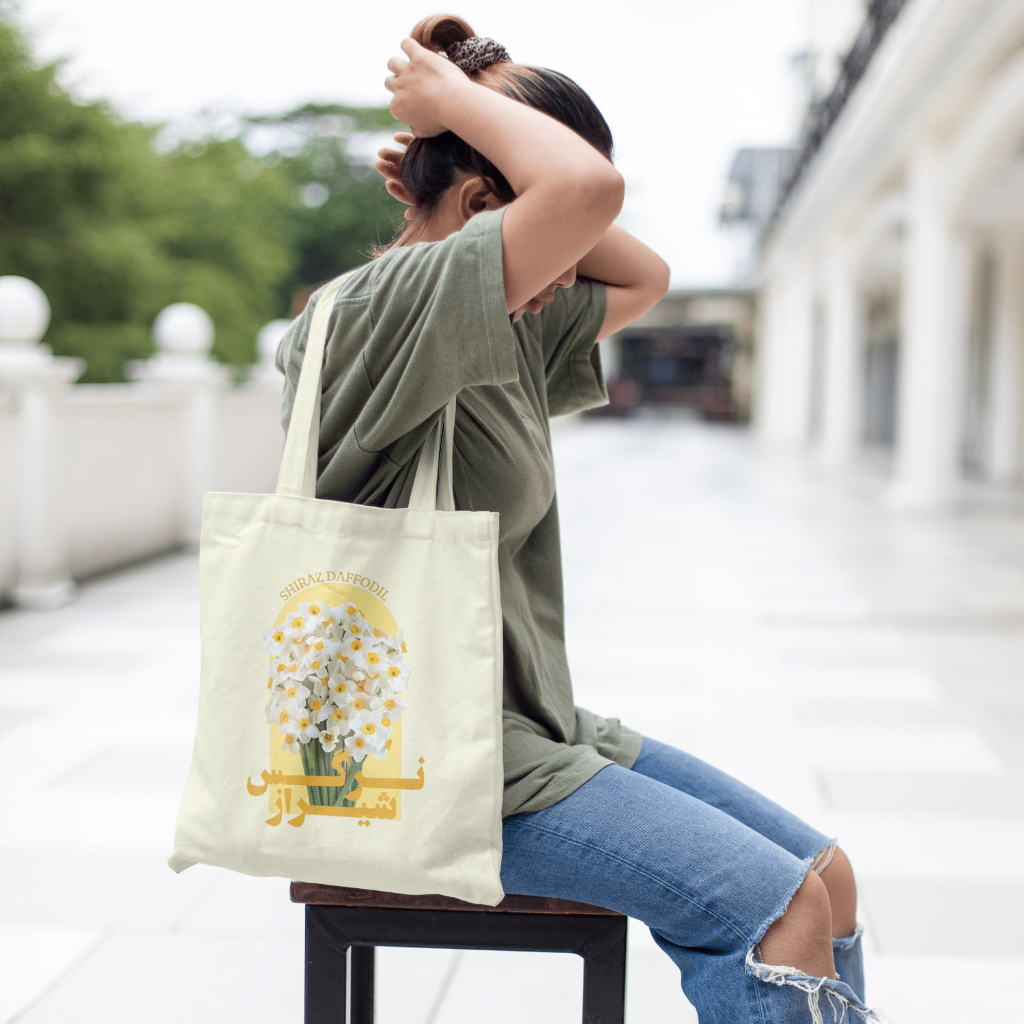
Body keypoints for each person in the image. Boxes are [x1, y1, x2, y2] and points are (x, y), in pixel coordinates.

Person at [277, 14, 881, 1023]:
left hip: (524, 728)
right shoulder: (385, 310)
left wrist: (478, 140)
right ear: (484, 203)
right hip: (425, 763)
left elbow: (642, 272)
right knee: (776, 912)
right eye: (555, 243)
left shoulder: (496, 320)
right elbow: (586, 194)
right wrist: (461, 112)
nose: (573, 272)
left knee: (828, 877)